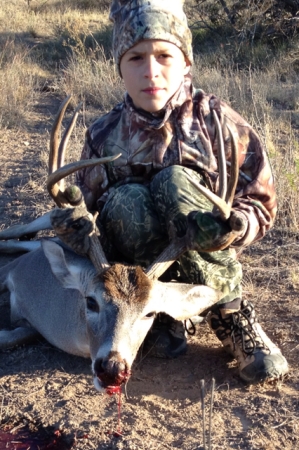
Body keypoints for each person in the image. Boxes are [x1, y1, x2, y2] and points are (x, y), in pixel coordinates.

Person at [76, 0, 288, 384]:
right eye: (136, 57)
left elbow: (260, 197)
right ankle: (156, 322)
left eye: (164, 55)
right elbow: (86, 215)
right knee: (127, 202)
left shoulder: (217, 122)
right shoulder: (103, 135)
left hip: (206, 263)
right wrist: (73, 227)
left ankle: (231, 314)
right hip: (133, 286)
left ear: (186, 61)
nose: (151, 71)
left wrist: (237, 225)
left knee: (173, 182)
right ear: (119, 67)